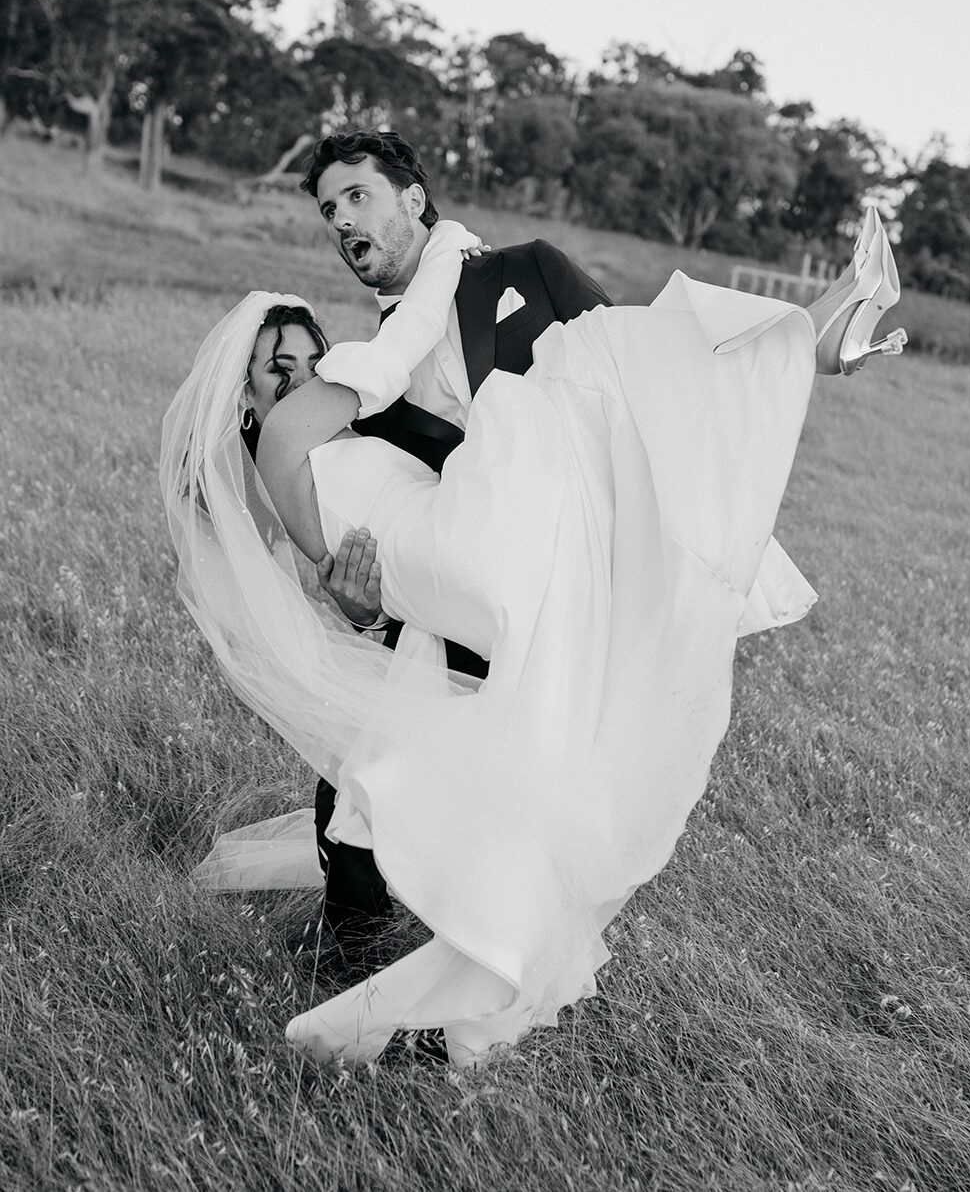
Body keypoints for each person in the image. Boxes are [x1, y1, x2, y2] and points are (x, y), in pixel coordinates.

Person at [161, 201, 906, 1068]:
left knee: (598, 410)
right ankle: (807, 342)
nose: (299, 378)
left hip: (445, 558)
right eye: (276, 371)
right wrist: (446, 244)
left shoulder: (338, 422)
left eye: (306, 358)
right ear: (246, 401)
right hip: (447, 550)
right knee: (582, 377)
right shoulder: (294, 430)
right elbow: (401, 348)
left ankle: (813, 336)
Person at [298, 130, 615, 963]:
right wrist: (357, 604)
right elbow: (394, 523)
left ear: (413, 197)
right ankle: (353, 960)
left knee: (528, 819)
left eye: (357, 196)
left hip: (560, 589)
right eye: (329, 210)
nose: (341, 220)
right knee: (352, 781)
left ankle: (497, 957)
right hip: (451, 608)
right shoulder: (368, 383)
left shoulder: (530, 272)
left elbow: (641, 371)